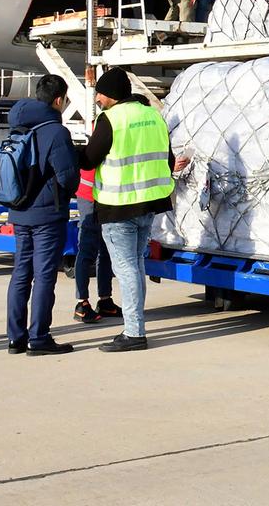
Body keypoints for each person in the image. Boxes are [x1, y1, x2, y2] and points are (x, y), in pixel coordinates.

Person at [79, 67, 176, 352]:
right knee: (136, 265)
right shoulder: (154, 117)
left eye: (100, 93)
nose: (97, 98)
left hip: (119, 205)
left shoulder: (111, 119)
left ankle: (134, 332)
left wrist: (72, 151)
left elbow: (88, 160)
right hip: (149, 204)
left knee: (126, 269)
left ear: (112, 95)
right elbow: (167, 160)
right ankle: (136, 325)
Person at [3, 75, 81, 355]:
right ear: (59, 100)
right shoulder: (56, 132)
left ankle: (15, 337)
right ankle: (39, 338)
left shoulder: (18, 127)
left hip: (19, 211)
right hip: (47, 215)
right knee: (45, 275)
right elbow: (68, 177)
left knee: (21, 273)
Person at [70, 158, 121, 324]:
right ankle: (81, 304)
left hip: (105, 195)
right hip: (90, 194)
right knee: (87, 249)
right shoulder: (102, 133)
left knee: (105, 249)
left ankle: (105, 300)